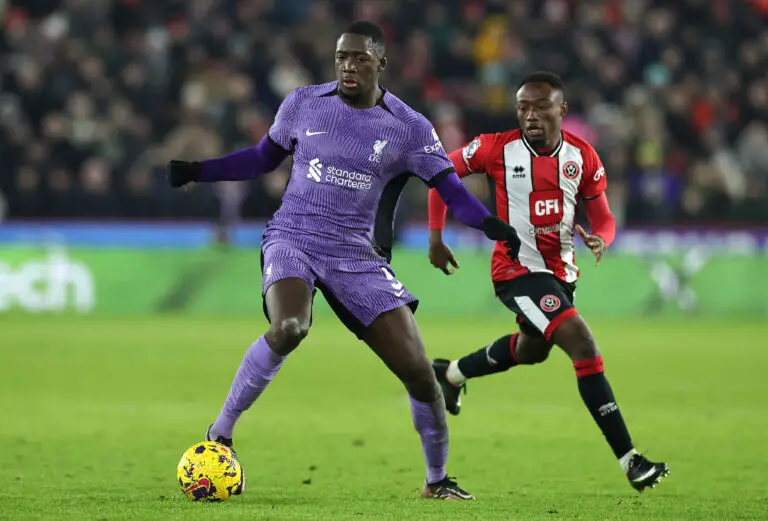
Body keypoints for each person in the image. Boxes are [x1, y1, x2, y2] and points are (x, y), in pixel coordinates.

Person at [165, 21, 522, 500]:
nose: (348, 66)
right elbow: (260, 160)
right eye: (341, 57)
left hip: (356, 255)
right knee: (290, 326)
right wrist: (198, 171)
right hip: (293, 237)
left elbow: (452, 192)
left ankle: (437, 481)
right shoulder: (302, 103)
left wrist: (491, 225)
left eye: (358, 58)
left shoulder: (409, 127)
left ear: (381, 63)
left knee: (419, 372)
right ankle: (221, 433)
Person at [426, 71, 670, 492]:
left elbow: (605, 217)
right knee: (583, 344)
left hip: (561, 275)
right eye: (523, 107)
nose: (531, 115)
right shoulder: (494, 148)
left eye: (540, 107)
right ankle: (631, 460)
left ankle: (449, 375)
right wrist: (435, 236)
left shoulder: (583, 157)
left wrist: (602, 238)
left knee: (532, 349)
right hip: (516, 271)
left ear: (562, 110)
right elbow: (439, 175)